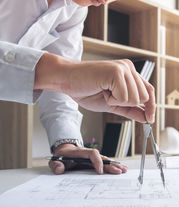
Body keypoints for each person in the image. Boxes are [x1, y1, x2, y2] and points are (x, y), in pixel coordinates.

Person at [0, 0, 155, 174]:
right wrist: (65, 74)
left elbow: (60, 91)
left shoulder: (75, 10)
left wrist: (66, 144)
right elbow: (63, 76)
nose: (105, 2)